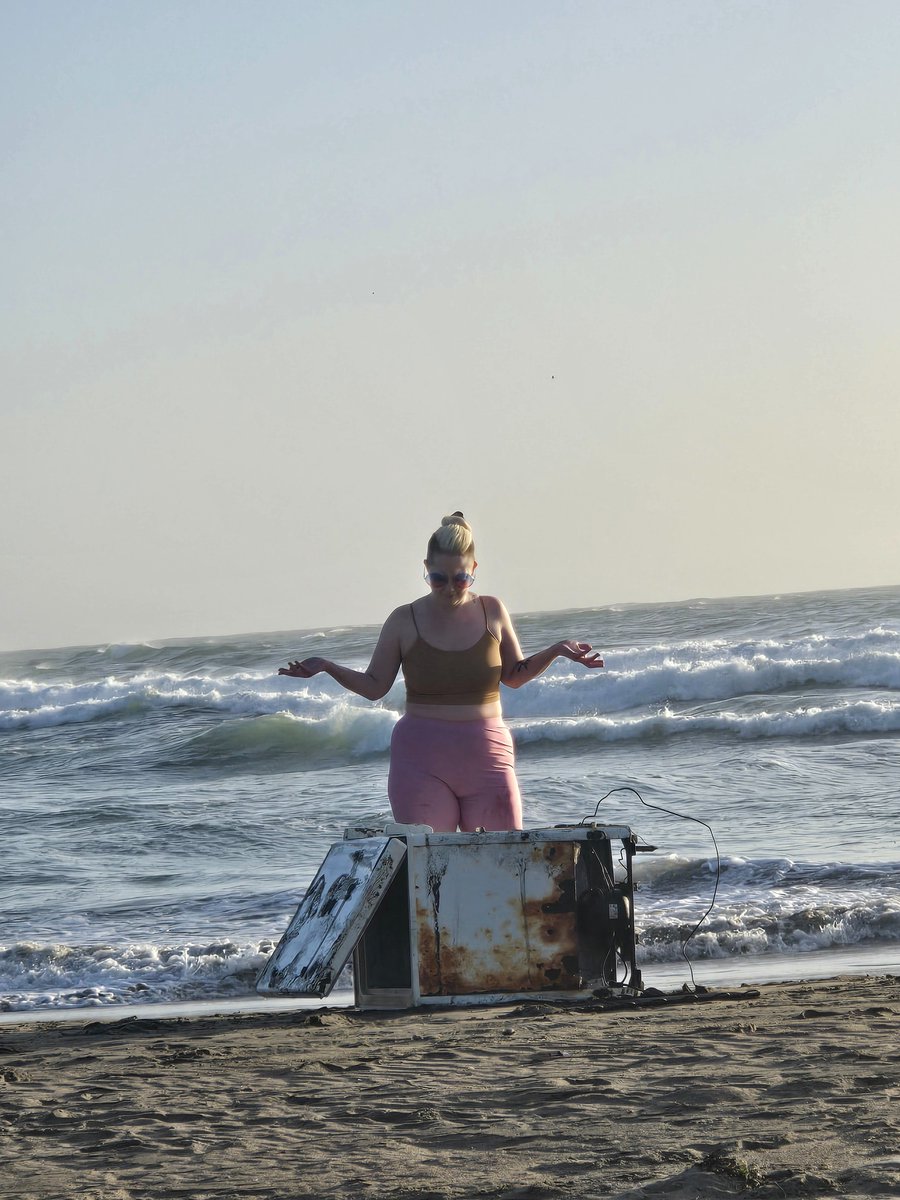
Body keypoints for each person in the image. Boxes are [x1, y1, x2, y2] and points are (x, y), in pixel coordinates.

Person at [279, 512, 604, 833]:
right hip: (420, 761)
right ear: (425, 570)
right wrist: (326, 666)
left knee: (504, 861)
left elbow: (514, 675)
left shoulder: (492, 610)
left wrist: (557, 650)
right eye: (438, 579)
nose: (450, 588)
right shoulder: (403, 620)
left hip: (487, 754)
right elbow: (375, 686)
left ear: (474, 570)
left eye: (460, 579)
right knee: (432, 866)